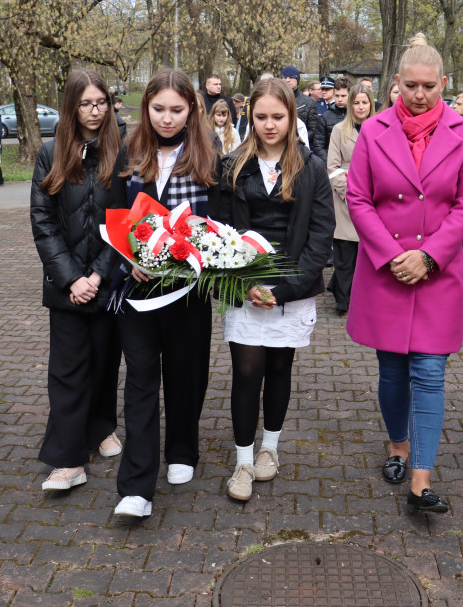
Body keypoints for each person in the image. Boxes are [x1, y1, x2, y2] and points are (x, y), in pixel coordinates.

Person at [345, 33, 463, 514]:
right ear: (397, 84)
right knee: (392, 372)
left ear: (443, 84)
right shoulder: (373, 131)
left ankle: (421, 479)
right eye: (411, 85)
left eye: (429, 86)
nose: (420, 94)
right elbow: (359, 199)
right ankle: (397, 445)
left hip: (437, 273)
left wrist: (429, 257)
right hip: (386, 271)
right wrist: (390, 255)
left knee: (429, 373)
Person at [213, 78, 335, 502]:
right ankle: (243, 460)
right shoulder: (230, 166)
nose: (269, 125)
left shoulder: (311, 167)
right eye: (261, 117)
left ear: (291, 117)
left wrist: (285, 290)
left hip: (291, 287)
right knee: (247, 371)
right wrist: (245, 284)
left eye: (277, 117)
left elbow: (320, 235)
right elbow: (219, 231)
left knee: (280, 369)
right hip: (245, 285)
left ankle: (270, 450)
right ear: (252, 117)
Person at [109, 68, 222, 519]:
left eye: (177, 110)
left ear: (192, 109)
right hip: (138, 290)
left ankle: (182, 449)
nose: (167, 119)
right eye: (159, 109)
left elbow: (219, 220)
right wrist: (126, 260)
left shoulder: (209, 154)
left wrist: (202, 243)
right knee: (139, 378)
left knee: (185, 372)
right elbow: (114, 214)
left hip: (187, 290)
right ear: (146, 107)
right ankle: (136, 484)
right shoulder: (128, 151)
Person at [30, 69, 124, 492]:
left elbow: (127, 221)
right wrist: (71, 278)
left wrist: (100, 273)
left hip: (108, 280)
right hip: (66, 286)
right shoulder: (51, 154)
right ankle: (68, 459)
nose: (95, 111)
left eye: (101, 102)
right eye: (86, 104)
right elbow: (43, 222)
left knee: (104, 362)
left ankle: (102, 427)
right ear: (71, 107)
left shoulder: (121, 152)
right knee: (68, 370)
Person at [327, 84, 374, 314]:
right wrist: (347, 193)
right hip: (345, 198)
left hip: (374, 200)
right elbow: (333, 166)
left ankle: (360, 297)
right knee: (345, 254)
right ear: (350, 105)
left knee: (366, 256)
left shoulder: (381, 128)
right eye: (356, 102)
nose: (361, 106)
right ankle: (343, 301)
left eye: (365, 102)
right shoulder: (339, 130)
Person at [280, 66, 323, 154]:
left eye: (291, 77)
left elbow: (313, 129)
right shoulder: (275, 100)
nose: (287, 80)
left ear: (297, 80)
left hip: (300, 149)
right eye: (285, 77)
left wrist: (298, 141)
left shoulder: (309, 102)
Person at [317, 76, 352, 160]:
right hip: (330, 162)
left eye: (343, 96)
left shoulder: (356, 116)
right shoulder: (325, 117)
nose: (340, 99)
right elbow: (319, 145)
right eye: (337, 96)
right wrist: (329, 163)